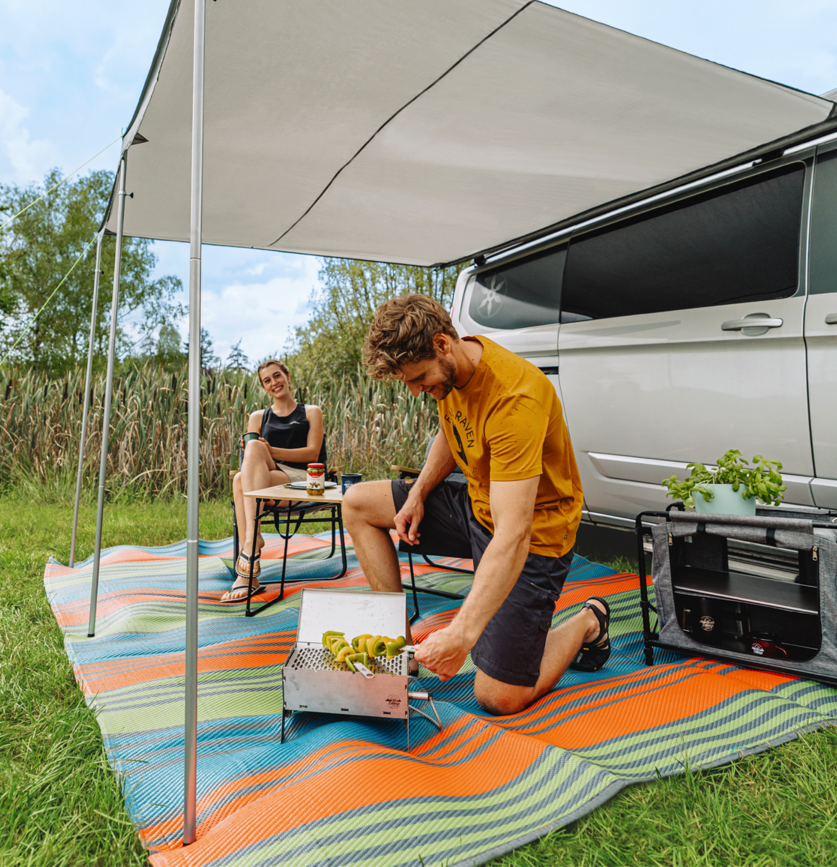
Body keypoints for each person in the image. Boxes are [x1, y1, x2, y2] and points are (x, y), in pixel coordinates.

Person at [341, 294, 611, 715]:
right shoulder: (452, 369)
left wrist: (461, 635)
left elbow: (514, 534)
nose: (415, 391)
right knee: (357, 503)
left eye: (419, 379)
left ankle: (587, 620)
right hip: (477, 506)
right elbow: (453, 430)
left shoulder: (515, 399)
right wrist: (418, 493)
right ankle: (397, 652)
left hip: (534, 534)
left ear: (441, 344)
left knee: (498, 696)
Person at [222, 359, 326, 603]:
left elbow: (312, 453)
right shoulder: (258, 417)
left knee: (242, 476)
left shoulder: (311, 412)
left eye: (277, 376)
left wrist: (270, 450)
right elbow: (253, 461)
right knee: (241, 476)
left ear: (287, 377)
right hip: (270, 480)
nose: (274, 382)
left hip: (304, 478)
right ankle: (252, 548)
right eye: (267, 380)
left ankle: (249, 553)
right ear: (264, 387)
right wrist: (254, 451)